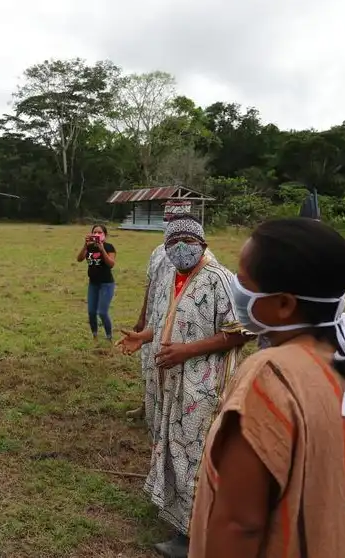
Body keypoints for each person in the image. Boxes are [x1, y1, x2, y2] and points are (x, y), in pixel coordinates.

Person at [188, 218, 345, 558]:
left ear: (284, 304)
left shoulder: (270, 375)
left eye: (244, 282)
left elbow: (240, 523)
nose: (236, 288)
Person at [117, 215, 250, 557]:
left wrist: (185, 351)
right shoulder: (173, 277)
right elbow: (164, 321)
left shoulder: (219, 279)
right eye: (172, 244)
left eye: (187, 243)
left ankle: (194, 535)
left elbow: (241, 332)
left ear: (202, 243)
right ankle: (177, 515)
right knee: (173, 445)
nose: (179, 250)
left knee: (195, 454)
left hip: (202, 386)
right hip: (172, 382)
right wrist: (143, 336)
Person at [127, 202, 191, 420]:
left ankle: (170, 413)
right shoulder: (158, 252)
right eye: (169, 222)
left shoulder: (196, 254)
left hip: (181, 321)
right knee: (149, 362)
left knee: (171, 365)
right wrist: (142, 317)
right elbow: (150, 284)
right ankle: (147, 406)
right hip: (155, 318)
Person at [75, 224, 116, 342]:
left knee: (102, 312)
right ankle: (95, 335)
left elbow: (111, 264)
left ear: (105, 235)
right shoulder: (89, 247)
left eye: (100, 233)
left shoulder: (109, 247)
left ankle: (109, 336)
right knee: (91, 312)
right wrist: (85, 245)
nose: (97, 235)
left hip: (106, 284)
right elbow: (79, 259)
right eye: (95, 232)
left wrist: (102, 249)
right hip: (93, 284)